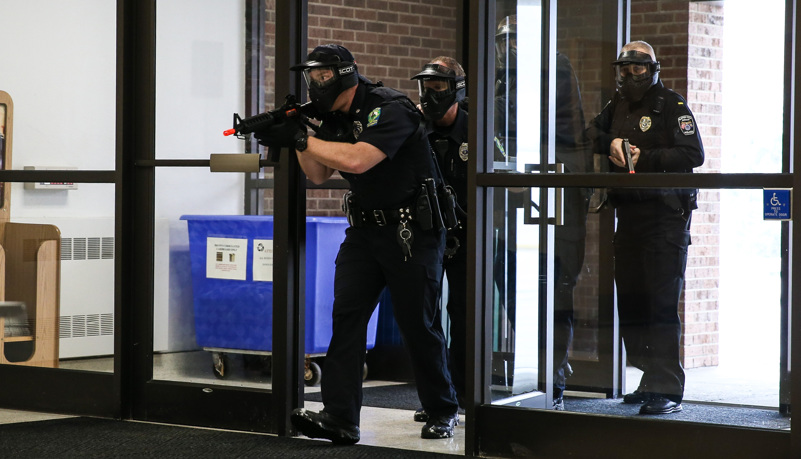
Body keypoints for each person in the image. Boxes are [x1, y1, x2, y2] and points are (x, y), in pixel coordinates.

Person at [254, 44, 459, 444]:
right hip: (365, 233)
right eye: (312, 77)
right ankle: (340, 418)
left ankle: (442, 408)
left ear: (345, 74)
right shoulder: (332, 118)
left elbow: (359, 160)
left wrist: (301, 137)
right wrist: (293, 137)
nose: (316, 83)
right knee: (346, 318)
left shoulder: (390, 107)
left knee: (419, 324)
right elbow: (317, 172)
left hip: (411, 232)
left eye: (324, 75)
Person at [586, 40, 705, 415]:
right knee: (634, 301)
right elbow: (590, 134)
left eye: (639, 67)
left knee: (661, 304)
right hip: (630, 217)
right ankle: (648, 378)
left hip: (666, 218)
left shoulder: (671, 105)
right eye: (625, 67)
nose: (631, 74)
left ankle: (666, 388)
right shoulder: (617, 104)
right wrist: (614, 143)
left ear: (653, 69)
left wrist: (643, 156)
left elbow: (693, 153)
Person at [494, 14, 592, 410]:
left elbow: (530, 121)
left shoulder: (554, 67)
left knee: (553, 284)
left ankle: (552, 371)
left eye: (515, 41)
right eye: (503, 42)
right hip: (513, 197)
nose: (507, 49)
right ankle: (538, 366)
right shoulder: (503, 79)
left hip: (554, 192)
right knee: (511, 280)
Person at [409, 57, 469, 421]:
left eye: (439, 89)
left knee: (462, 316)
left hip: (469, 236)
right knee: (424, 318)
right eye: (426, 89)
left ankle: (462, 396)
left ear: (457, 90)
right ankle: (438, 397)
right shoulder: (414, 128)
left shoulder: (478, 130)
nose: (431, 96)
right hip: (428, 235)